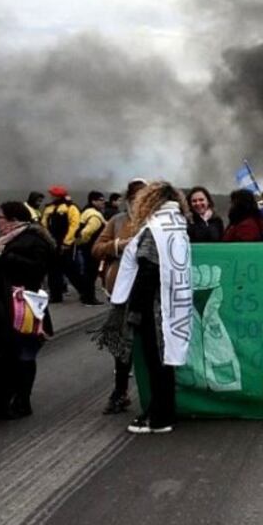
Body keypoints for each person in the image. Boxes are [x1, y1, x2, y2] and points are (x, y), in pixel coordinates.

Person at [107, 181, 192, 434]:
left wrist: (134, 311)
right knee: (165, 363)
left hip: (154, 308)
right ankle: (165, 413)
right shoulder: (177, 224)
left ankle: (159, 417)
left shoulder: (154, 229)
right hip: (173, 305)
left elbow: (147, 271)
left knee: (156, 363)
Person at [0, 201, 56, 418]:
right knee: (12, 353)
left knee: (25, 353)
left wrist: (5, 256)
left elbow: (38, 269)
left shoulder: (34, 240)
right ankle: (11, 398)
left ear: (13, 219)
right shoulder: (8, 239)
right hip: (7, 304)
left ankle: (22, 400)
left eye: (0, 217)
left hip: (26, 305)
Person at [92, 178, 148, 414]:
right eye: (134, 197)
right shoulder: (117, 221)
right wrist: (118, 245)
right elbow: (97, 248)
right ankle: (120, 391)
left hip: (149, 289)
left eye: (142, 197)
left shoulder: (156, 221)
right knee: (122, 342)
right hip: (122, 290)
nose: (138, 201)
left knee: (151, 342)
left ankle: (156, 393)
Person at [41, 185, 83, 303]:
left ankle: (85, 291)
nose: (51, 196)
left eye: (53, 195)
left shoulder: (71, 208)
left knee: (71, 270)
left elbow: (74, 226)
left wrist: (67, 242)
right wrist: (47, 240)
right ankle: (55, 296)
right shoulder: (49, 208)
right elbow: (44, 225)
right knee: (53, 272)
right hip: (52, 244)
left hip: (65, 244)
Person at [75, 191, 107, 306]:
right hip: (91, 248)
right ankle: (89, 298)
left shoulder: (86, 212)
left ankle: (86, 296)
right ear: (93, 201)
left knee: (87, 272)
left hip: (86, 248)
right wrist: (83, 242)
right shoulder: (95, 216)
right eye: (101, 200)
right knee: (91, 274)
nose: (103, 202)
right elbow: (87, 232)